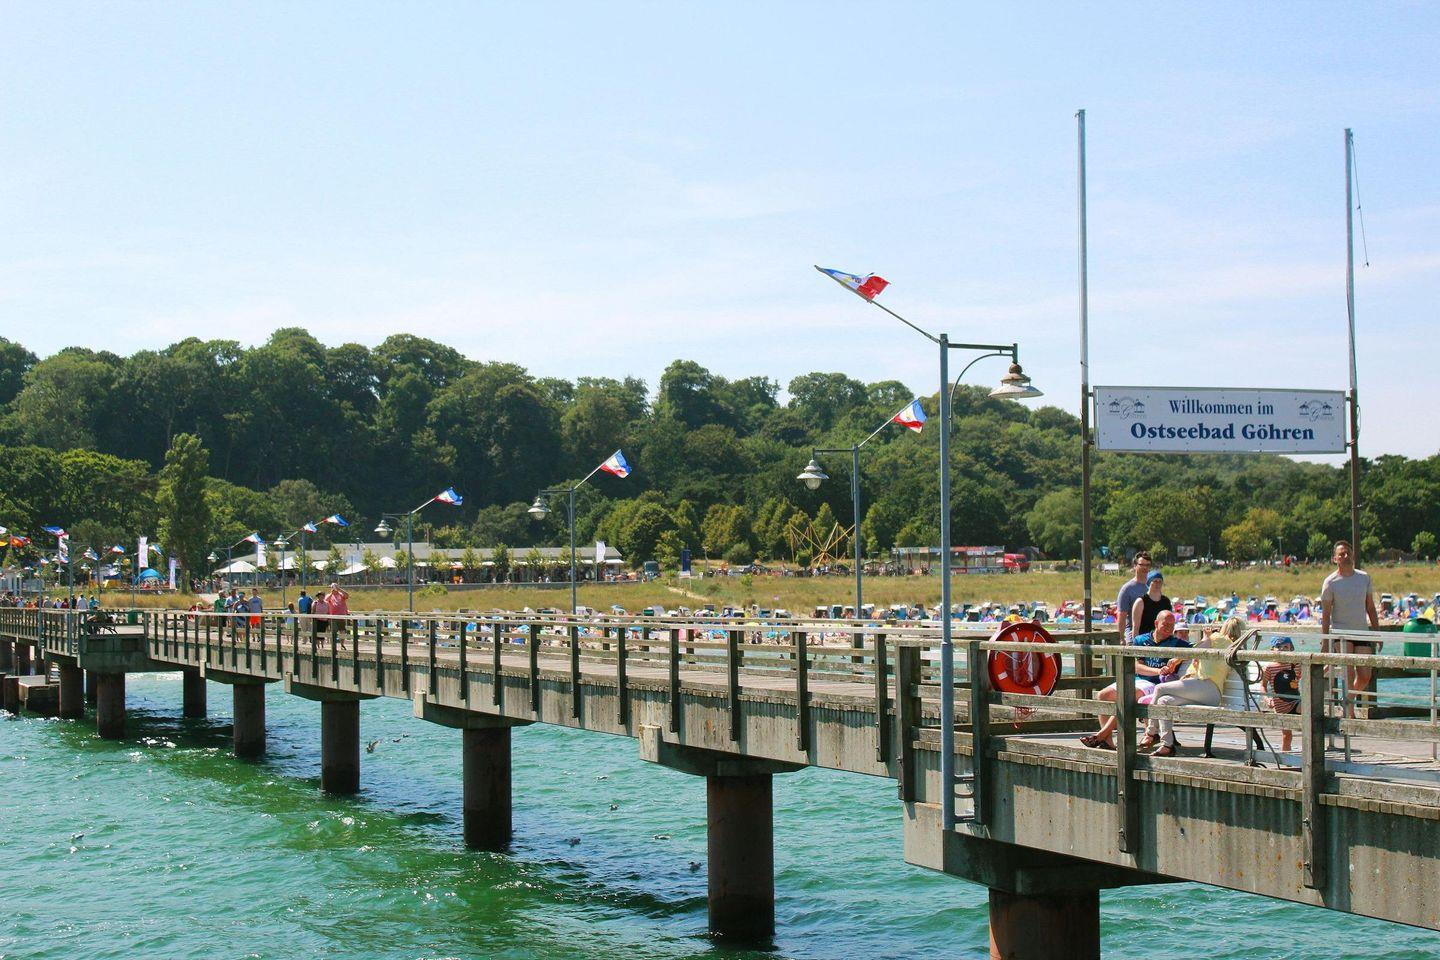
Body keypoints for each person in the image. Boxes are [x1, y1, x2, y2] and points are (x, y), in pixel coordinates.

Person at [1082, 610, 1190, 749]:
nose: (1169, 628)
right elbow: (1137, 667)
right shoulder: (1140, 640)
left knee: (1127, 695)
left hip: (1157, 684)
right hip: (1139, 680)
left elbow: (1198, 648)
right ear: (1156, 623)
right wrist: (1158, 670)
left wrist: (1178, 658)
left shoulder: (1177, 643)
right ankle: (1107, 741)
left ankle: (1101, 735)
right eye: (1165, 624)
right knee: (1102, 695)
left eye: (1172, 625)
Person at [1140, 616, 1246, 756]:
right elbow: (1202, 651)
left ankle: (1151, 733)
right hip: (1210, 694)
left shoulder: (1219, 638)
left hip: (1206, 686)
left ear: (1224, 628)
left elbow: (1195, 651)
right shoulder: (1231, 646)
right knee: (1163, 701)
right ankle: (1167, 745)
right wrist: (1207, 638)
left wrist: (1177, 659)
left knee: (1160, 688)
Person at [1320, 540, 1380, 716]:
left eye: (1348, 553)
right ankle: (1349, 714)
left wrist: (1377, 633)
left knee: (1365, 676)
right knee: (1348, 674)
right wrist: (1325, 641)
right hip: (1341, 633)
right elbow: (1325, 614)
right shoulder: (1330, 582)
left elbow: (1370, 607)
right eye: (1342, 554)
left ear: (1353, 556)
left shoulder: (1364, 578)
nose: (1346, 556)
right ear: (1335, 559)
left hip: (1361, 631)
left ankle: (1348, 700)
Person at [1261, 636, 1300, 751]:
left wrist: (1328, 666)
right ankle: (1286, 757)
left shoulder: (1295, 665)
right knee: (1287, 736)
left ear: (1291, 649)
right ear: (1272, 649)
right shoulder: (1269, 668)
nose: (1282, 649)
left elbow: (1313, 672)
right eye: (1278, 647)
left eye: (1286, 647)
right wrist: (1267, 699)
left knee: (1307, 709)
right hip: (1280, 706)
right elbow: (1263, 686)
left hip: (1295, 702)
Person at [1115, 552, 1153, 642]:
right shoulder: (1127, 589)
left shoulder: (1152, 586)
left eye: (1147, 565)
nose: (1145, 568)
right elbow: (1122, 616)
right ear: (1135, 566)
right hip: (1133, 635)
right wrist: (1121, 639)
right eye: (1141, 565)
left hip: (1151, 635)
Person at [1129, 569, 1172, 640]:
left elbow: (1170, 624)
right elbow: (1135, 627)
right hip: (1144, 640)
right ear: (1149, 582)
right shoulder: (1140, 602)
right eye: (1155, 581)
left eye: (1160, 581)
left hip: (1162, 640)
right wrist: (1136, 643)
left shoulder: (1166, 601)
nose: (1157, 584)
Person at [324, 582, 349, 648]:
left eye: (335, 587)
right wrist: (331, 593)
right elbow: (326, 600)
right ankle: (333, 646)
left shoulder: (341, 594)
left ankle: (342, 644)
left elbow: (347, 596)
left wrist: (339, 589)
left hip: (341, 616)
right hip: (333, 617)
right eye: (333, 587)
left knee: (342, 631)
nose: (334, 588)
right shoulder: (329, 595)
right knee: (333, 631)